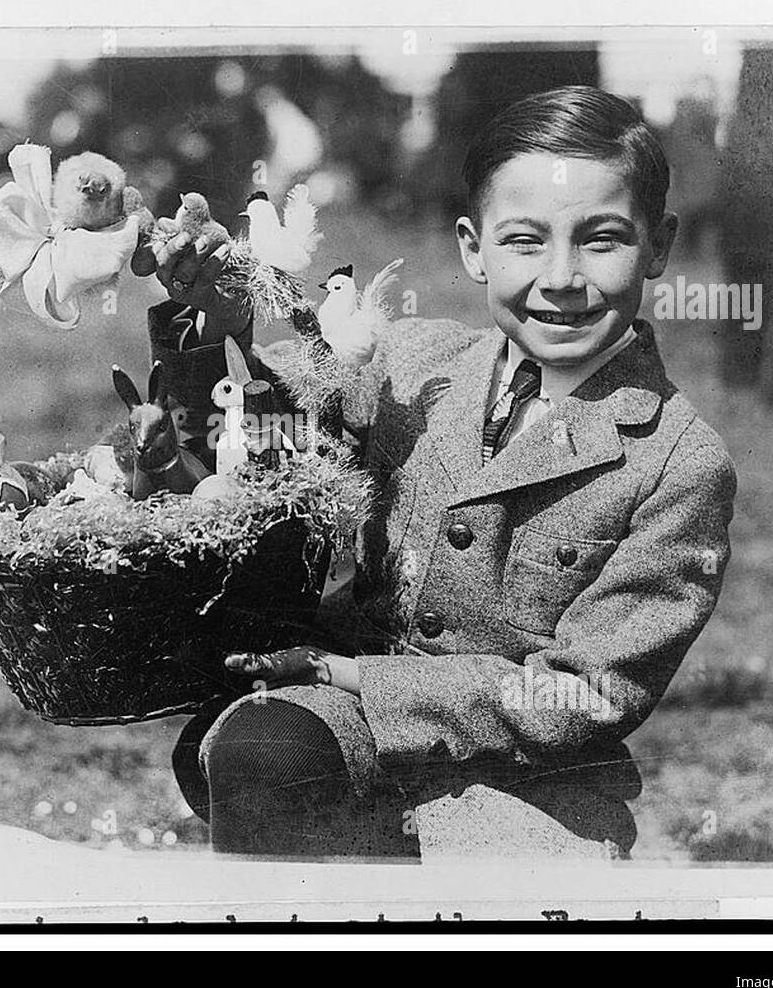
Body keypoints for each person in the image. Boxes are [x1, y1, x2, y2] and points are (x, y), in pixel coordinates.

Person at [148, 86, 737, 860]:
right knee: (264, 753)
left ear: (658, 245)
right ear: (472, 246)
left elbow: (584, 693)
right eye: (525, 241)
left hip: (527, 787)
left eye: (601, 239)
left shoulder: (680, 463)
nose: (561, 277)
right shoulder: (407, 361)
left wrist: (346, 671)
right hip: (343, 727)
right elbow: (247, 436)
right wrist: (211, 335)